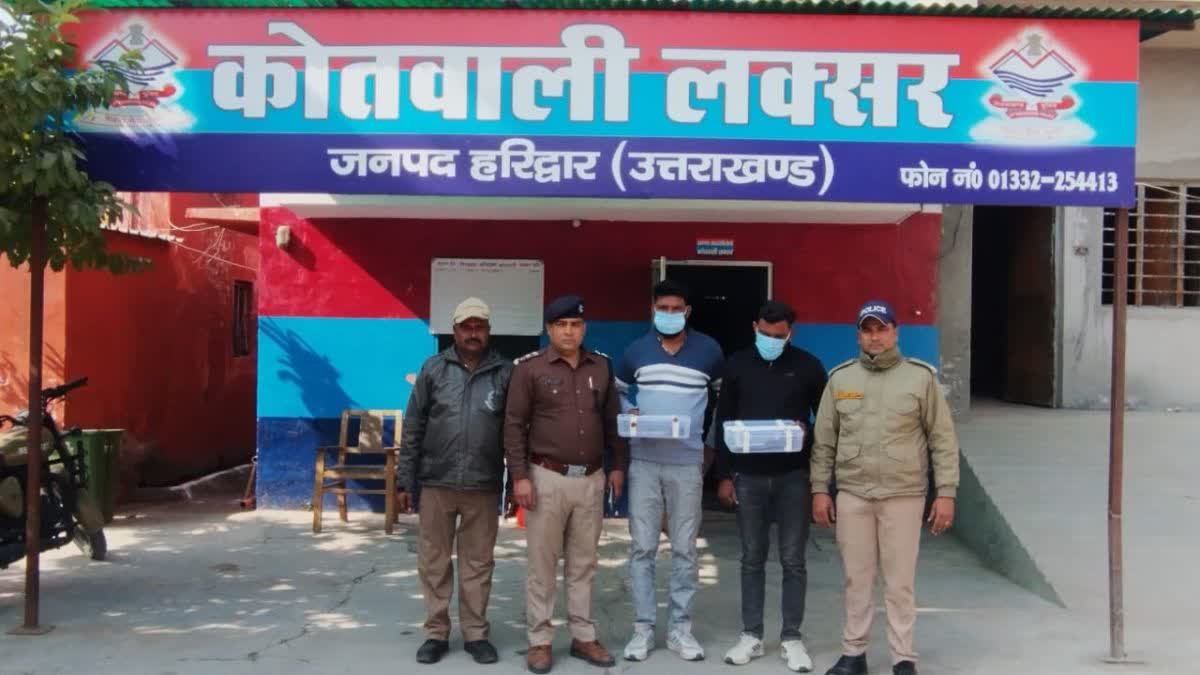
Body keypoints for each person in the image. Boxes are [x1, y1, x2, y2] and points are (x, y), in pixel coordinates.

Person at [810, 300, 960, 675]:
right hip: (853, 494)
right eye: (867, 329)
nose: (875, 337)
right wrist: (819, 489)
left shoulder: (920, 379)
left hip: (903, 495)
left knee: (899, 582)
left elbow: (942, 440)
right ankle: (853, 654)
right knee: (856, 579)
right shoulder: (841, 379)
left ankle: (903, 658)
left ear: (895, 332)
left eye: (882, 329)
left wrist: (946, 492)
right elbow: (824, 441)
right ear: (858, 335)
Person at [503, 295, 628, 674]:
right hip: (546, 479)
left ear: (583, 328)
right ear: (549, 329)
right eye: (561, 325)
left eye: (575, 325)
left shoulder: (601, 367)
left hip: (591, 478)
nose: (569, 332)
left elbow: (613, 422)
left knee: (584, 564)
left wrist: (617, 466)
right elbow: (513, 426)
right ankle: (539, 640)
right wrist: (520, 476)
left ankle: (583, 636)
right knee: (542, 565)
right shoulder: (529, 369)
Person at [712, 300, 829, 672]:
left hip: (794, 476)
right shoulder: (736, 365)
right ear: (754, 327)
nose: (771, 340)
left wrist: (808, 439)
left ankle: (792, 637)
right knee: (752, 558)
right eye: (765, 333)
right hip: (747, 478)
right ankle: (751, 634)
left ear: (790, 333)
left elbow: (827, 422)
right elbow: (723, 421)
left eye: (779, 336)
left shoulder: (808, 366)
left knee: (793, 559)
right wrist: (723, 476)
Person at [398, 297, 513, 665]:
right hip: (437, 481)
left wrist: (515, 482)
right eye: (466, 327)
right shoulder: (433, 369)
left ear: (489, 331)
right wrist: (404, 480)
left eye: (479, 326)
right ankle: (436, 633)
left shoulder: (505, 373)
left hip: (483, 483)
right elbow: (413, 425)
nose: (473, 333)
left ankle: (476, 633)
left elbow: (515, 431)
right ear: (455, 330)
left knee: (477, 563)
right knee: (434, 561)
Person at [614, 280, 724, 663]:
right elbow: (618, 391)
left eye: (678, 308)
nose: (671, 314)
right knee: (642, 547)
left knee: (685, 549)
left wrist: (709, 449)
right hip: (644, 461)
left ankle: (680, 629)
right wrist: (629, 412)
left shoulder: (709, 351)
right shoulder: (636, 351)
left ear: (688, 312)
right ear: (653, 309)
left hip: (687, 463)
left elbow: (723, 401)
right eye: (664, 308)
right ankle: (642, 629)